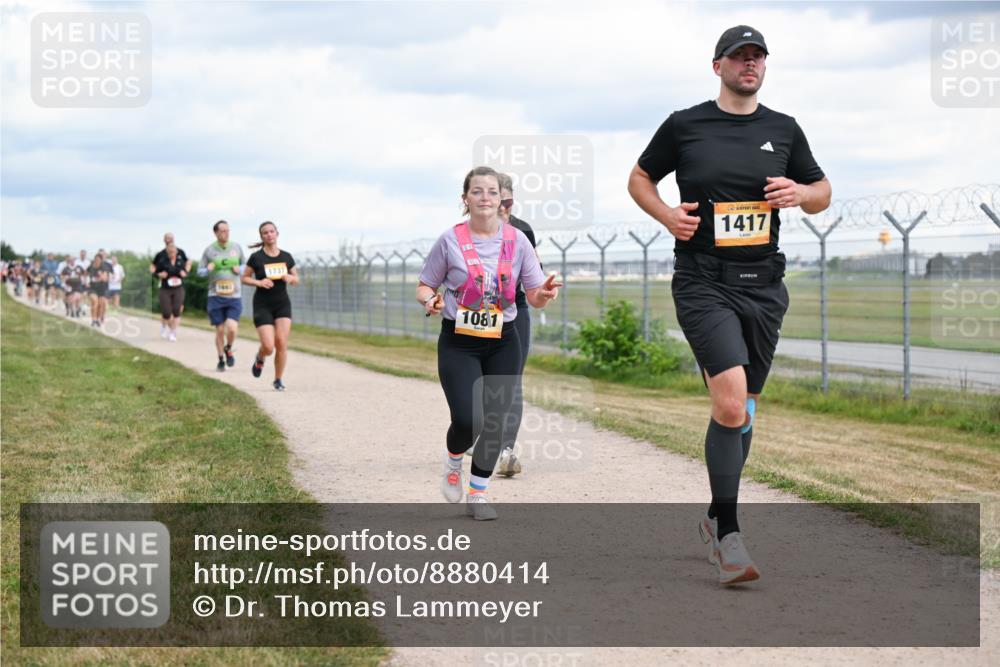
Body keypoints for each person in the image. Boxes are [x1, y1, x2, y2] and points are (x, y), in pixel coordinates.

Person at [628, 26, 831, 584]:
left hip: (764, 283)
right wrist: (668, 215)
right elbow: (640, 177)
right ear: (716, 65)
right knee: (731, 403)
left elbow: (822, 192)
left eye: (758, 56)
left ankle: (716, 513)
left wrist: (800, 193)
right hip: (703, 280)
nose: (750, 64)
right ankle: (730, 536)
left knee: (747, 408)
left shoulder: (784, 129)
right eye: (740, 56)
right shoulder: (686, 124)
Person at [417, 166, 560, 520]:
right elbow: (425, 284)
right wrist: (428, 300)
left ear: (502, 200)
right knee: (468, 420)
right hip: (459, 340)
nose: (484, 198)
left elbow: (533, 295)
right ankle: (453, 463)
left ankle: (478, 494)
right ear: (465, 199)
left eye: (491, 192)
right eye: (477, 191)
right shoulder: (449, 240)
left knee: (495, 420)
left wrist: (543, 294)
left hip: (503, 339)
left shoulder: (518, 241)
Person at [493, 172, 541, 478]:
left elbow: (533, 273)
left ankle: (506, 450)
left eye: (508, 201)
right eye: (497, 200)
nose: (502, 207)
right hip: (479, 312)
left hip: (516, 308)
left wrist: (542, 287)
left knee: (513, 380)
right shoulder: (465, 233)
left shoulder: (523, 230)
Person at [242, 221, 298, 391]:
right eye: (265, 233)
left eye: (271, 231)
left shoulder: (286, 257)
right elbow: (244, 278)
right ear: (262, 236)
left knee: (281, 342)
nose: (269, 235)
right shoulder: (256, 258)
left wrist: (290, 278)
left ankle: (278, 379)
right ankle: (260, 357)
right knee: (268, 346)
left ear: (277, 233)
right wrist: (259, 282)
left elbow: (296, 278)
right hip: (262, 304)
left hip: (282, 304)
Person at [199, 220, 246, 372]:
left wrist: (239, 268)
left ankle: (229, 348)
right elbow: (199, 272)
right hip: (215, 295)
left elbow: (246, 265)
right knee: (219, 330)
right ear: (216, 233)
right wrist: (208, 269)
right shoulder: (209, 250)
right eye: (223, 230)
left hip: (234, 295)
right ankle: (220, 359)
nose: (226, 233)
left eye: (228, 230)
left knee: (232, 328)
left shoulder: (236, 247)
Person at [150, 233, 189, 338]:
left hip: (178, 287)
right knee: (166, 312)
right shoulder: (161, 257)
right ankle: (164, 326)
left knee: (177, 310)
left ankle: (173, 332)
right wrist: (159, 274)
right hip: (165, 287)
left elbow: (188, 263)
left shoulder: (181, 255)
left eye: (173, 252)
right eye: (169, 252)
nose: (171, 254)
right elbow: (153, 268)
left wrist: (185, 272)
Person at [87, 252, 113, 327]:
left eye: (98, 259)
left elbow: (105, 278)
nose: (97, 261)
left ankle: (98, 319)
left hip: (102, 288)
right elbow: (85, 273)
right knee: (95, 302)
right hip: (92, 288)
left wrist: (101, 276)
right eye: (96, 259)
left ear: (101, 260)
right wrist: (86, 281)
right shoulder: (91, 267)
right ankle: (93, 320)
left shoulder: (104, 267)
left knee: (101, 304)